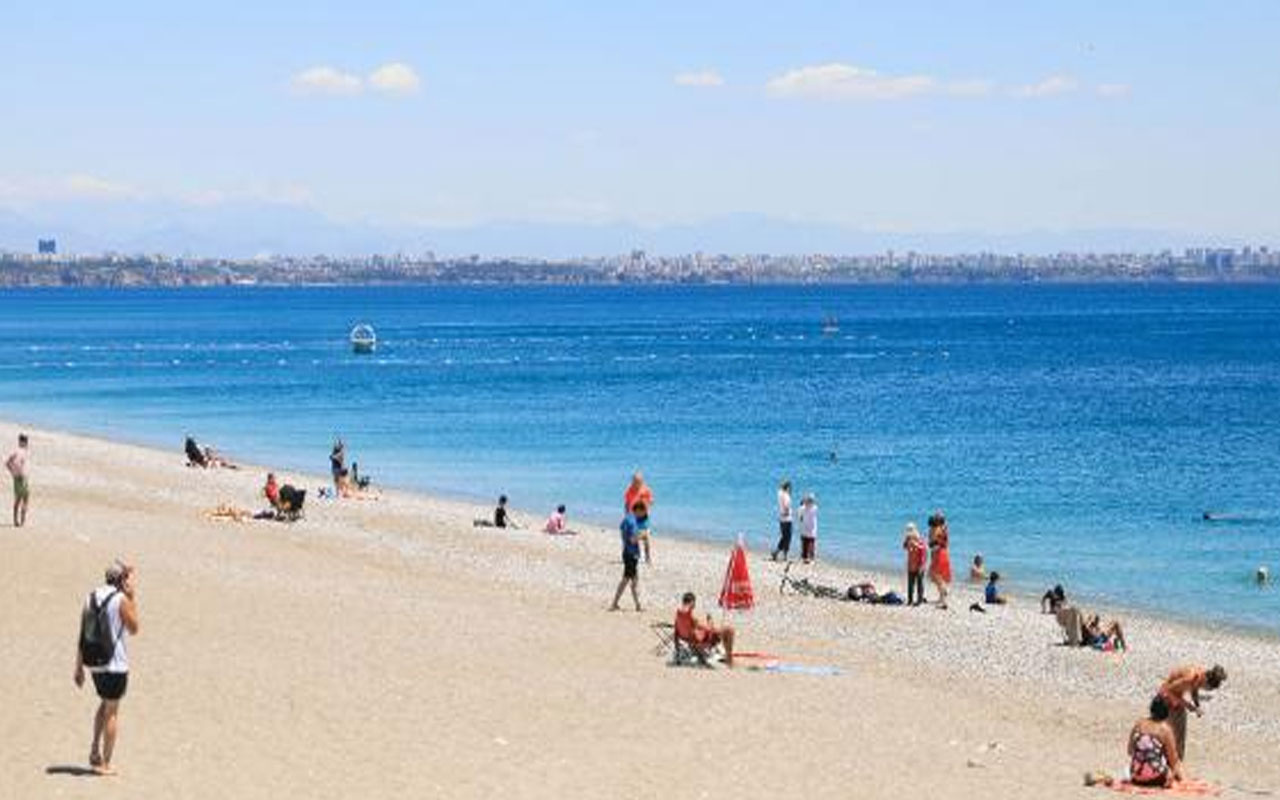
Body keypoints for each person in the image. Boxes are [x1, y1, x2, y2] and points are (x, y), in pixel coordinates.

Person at [74, 562, 140, 776]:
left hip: (94, 663)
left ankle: (94, 750)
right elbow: (134, 628)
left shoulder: (90, 596)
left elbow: (83, 632)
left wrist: (79, 666)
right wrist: (132, 597)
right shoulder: (121, 599)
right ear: (121, 580)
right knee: (112, 711)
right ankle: (105, 763)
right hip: (115, 664)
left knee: (104, 704)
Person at [1157, 664, 1227, 761]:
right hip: (1165, 699)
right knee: (1172, 734)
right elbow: (1167, 689)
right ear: (1206, 682)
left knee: (1180, 734)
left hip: (1176, 700)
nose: (1204, 689)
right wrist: (1189, 706)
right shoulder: (1190, 677)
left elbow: (1194, 689)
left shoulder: (1200, 676)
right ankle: (1169, 762)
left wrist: (1197, 706)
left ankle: (1176, 762)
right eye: (1206, 689)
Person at [1128, 695, 1185, 788]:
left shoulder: (1139, 724)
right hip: (1156, 777)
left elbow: (1130, 751)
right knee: (1177, 762)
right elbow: (1173, 760)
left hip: (1135, 775)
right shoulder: (1165, 729)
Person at [673, 592, 735, 667]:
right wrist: (710, 621)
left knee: (722, 630)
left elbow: (676, 633)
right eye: (694, 603)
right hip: (700, 640)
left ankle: (727, 657)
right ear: (692, 603)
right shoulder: (691, 618)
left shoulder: (678, 615)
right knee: (729, 631)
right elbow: (709, 629)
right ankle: (730, 660)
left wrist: (677, 649)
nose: (694, 605)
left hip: (690, 639)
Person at [610, 500, 646, 612]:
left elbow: (622, 531)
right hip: (631, 554)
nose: (643, 515)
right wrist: (642, 536)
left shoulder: (626, 519)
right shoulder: (633, 522)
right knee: (627, 580)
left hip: (626, 551)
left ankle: (637, 605)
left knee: (633, 580)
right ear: (638, 510)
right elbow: (633, 539)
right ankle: (615, 603)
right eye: (643, 512)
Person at [624, 472, 654, 563]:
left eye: (638, 481)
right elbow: (627, 503)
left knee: (647, 537)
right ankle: (635, 553)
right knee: (633, 536)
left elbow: (651, 500)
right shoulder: (629, 490)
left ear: (642, 481)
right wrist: (627, 515)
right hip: (633, 517)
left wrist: (648, 503)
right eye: (634, 481)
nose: (636, 484)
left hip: (644, 517)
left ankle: (648, 556)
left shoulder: (646, 490)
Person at [927, 511, 952, 610]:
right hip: (942, 553)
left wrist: (932, 543)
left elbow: (933, 543)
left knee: (935, 575)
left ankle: (943, 596)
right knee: (936, 575)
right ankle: (942, 594)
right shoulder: (943, 529)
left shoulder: (936, 530)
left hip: (938, 553)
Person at [7, 433, 30, 527]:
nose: (27, 444)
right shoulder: (23, 452)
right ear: (24, 442)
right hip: (22, 478)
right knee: (25, 499)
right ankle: (22, 522)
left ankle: (15, 521)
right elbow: (20, 465)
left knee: (17, 500)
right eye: (26, 442)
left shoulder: (15, 451)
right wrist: (22, 475)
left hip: (16, 478)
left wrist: (13, 473)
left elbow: (8, 463)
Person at [902, 522, 928, 606]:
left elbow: (924, 551)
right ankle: (910, 600)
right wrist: (907, 542)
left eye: (910, 531)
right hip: (911, 565)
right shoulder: (908, 539)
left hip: (919, 565)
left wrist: (922, 565)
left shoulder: (919, 540)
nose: (909, 535)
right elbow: (904, 547)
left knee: (919, 583)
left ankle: (919, 600)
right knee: (910, 583)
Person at [772, 480, 793, 561]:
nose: (791, 489)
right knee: (787, 538)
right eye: (790, 487)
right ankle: (784, 555)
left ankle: (776, 552)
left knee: (784, 537)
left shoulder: (780, 494)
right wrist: (787, 513)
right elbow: (787, 506)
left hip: (781, 518)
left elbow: (780, 490)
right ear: (787, 487)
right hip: (787, 518)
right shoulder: (786, 496)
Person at [798, 493, 818, 564]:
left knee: (805, 543)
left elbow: (800, 517)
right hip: (811, 529)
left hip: (804, 528)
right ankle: (811, 558)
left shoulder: (802, 508)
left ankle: (805, 557)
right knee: (811, 543)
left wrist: (803, 503)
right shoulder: (814, 508)